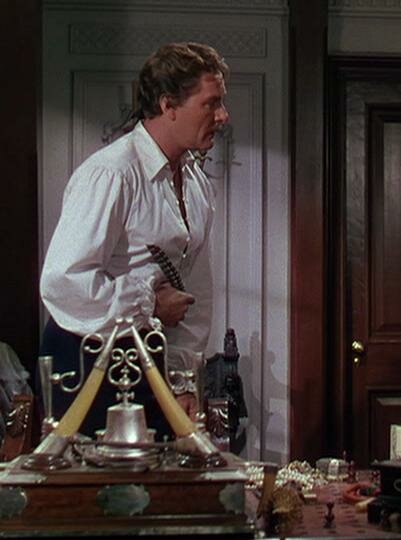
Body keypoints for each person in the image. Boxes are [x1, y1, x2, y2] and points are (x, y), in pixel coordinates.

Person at [39, 42, 230, 436]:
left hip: (150, 354)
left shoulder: (195, 183)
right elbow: (63, 281)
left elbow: (195, 292)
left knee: (163, 468)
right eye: (210, 104)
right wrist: (149, 303)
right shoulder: (112, 174)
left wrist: (181, 377)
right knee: (98, 474)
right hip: (89, 356)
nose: (222, 116)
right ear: (168, 105)